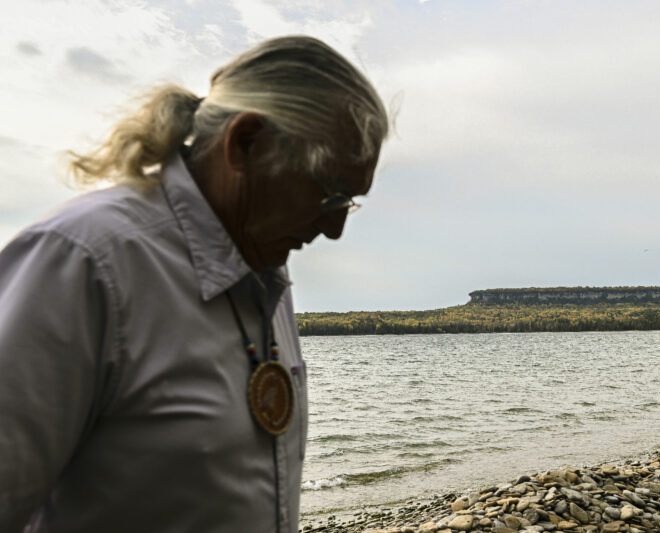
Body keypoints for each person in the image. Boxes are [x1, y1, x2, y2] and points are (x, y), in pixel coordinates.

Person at [0, 35, 389, 532]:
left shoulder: (266, 269)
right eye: (329, 195)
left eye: (348, 203)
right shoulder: (83, 261)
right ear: (245, 144)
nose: (334, 229)